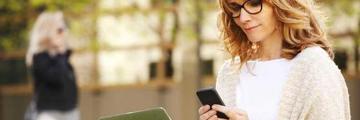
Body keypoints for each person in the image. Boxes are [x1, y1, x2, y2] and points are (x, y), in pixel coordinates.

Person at [198, 0, 351, 119]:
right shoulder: (229, 72)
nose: (243, 18)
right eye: (235, 7)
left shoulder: (315, 67)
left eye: (254, 3)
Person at [25, 11, 79, 120]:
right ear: (47, 31)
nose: (63, 33)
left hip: (70, 111)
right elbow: (55, 78)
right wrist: (61, 54)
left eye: (63, 29)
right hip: (49, 113)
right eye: (59, 30)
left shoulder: (63, 57)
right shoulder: (40, 57)